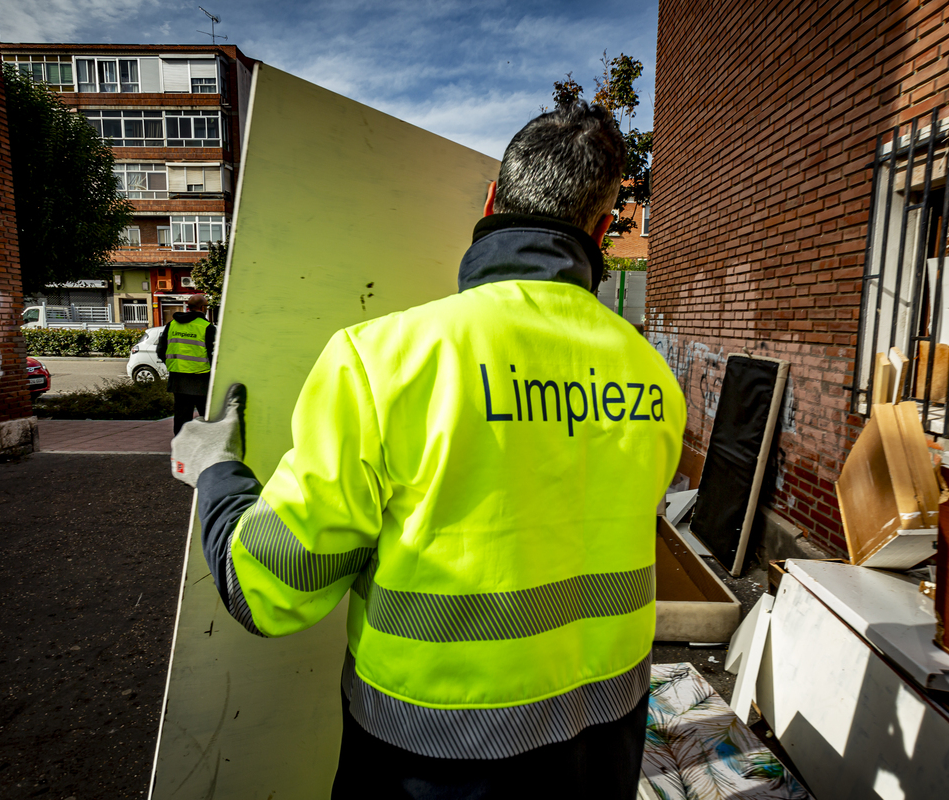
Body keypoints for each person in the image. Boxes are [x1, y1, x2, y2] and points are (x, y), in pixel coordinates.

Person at [171, 101, 686, 799]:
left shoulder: (383, 359)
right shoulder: (652, 376)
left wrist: (214, 470)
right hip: (603, 748)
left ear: (491, 201)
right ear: (600, 230)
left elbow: (266, 588)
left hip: (434, 766)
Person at [156, 294, 216, 435]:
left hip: (178, 380)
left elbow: (161, 351)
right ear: (202, 308)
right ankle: (208, 448)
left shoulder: (172, 325)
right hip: (202, 380)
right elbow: (214, 356)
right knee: (207, 418)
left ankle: (181, 449)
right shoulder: (207, 327)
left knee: (181, 418)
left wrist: (176, 365)